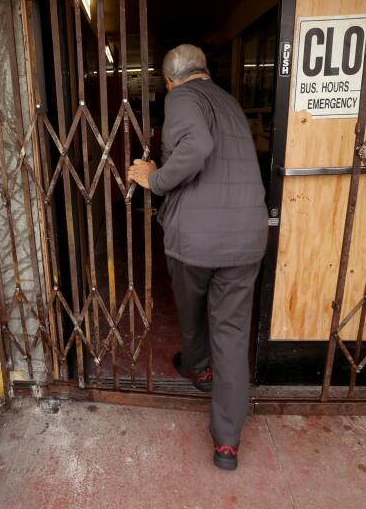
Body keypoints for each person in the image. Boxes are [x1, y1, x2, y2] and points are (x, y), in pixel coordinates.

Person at [128, 44, 267, 471]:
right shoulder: (228, 101)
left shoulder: (182, 98)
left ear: (170, 81)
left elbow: (197, 145)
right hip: (246, 239)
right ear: (204, 71)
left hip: (197, 241)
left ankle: (198, 369)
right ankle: (227, 443)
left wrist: (156, 180)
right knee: (231, 331)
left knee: (191, 311)